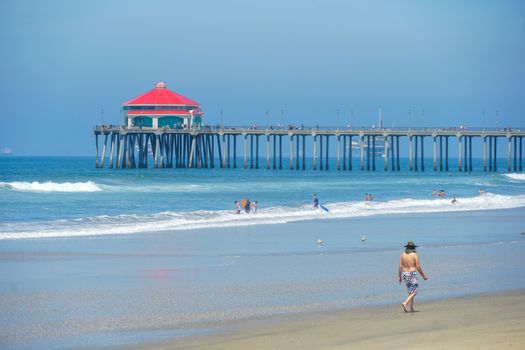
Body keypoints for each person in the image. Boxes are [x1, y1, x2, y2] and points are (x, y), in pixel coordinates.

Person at [398, 241, 428, 313]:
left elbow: (400, 266)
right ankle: (405, 303)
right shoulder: (414, 255)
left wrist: (399, 277)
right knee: (414, 292)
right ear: (413, 248)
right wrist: (423, 275)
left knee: (410, 291)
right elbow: (418, 266)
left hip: (405, 274)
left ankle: (411, 308)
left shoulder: (402, 255)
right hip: (412, 274)